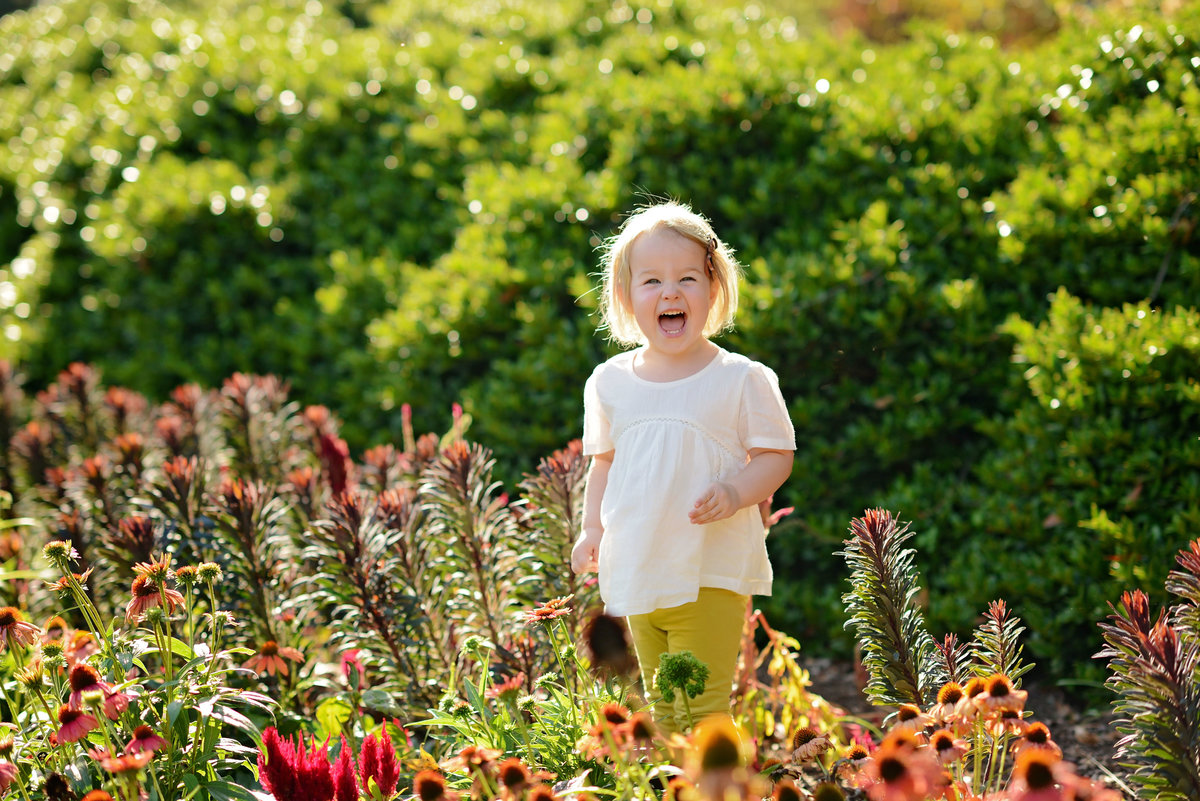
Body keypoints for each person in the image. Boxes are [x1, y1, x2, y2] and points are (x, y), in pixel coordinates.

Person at [571, 200, 796, 733]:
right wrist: (590, 529)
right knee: (666, 709)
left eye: (687, 278)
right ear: (625, 296)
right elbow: (603, 465)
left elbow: (776, 455)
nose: (670, 292)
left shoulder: (739, 378)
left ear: (713, 289)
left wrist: (737, 491)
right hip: (640, 569)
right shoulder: (609, 381)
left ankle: (714, 789)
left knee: (701, 709)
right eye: (652, 281)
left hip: (707, 570)